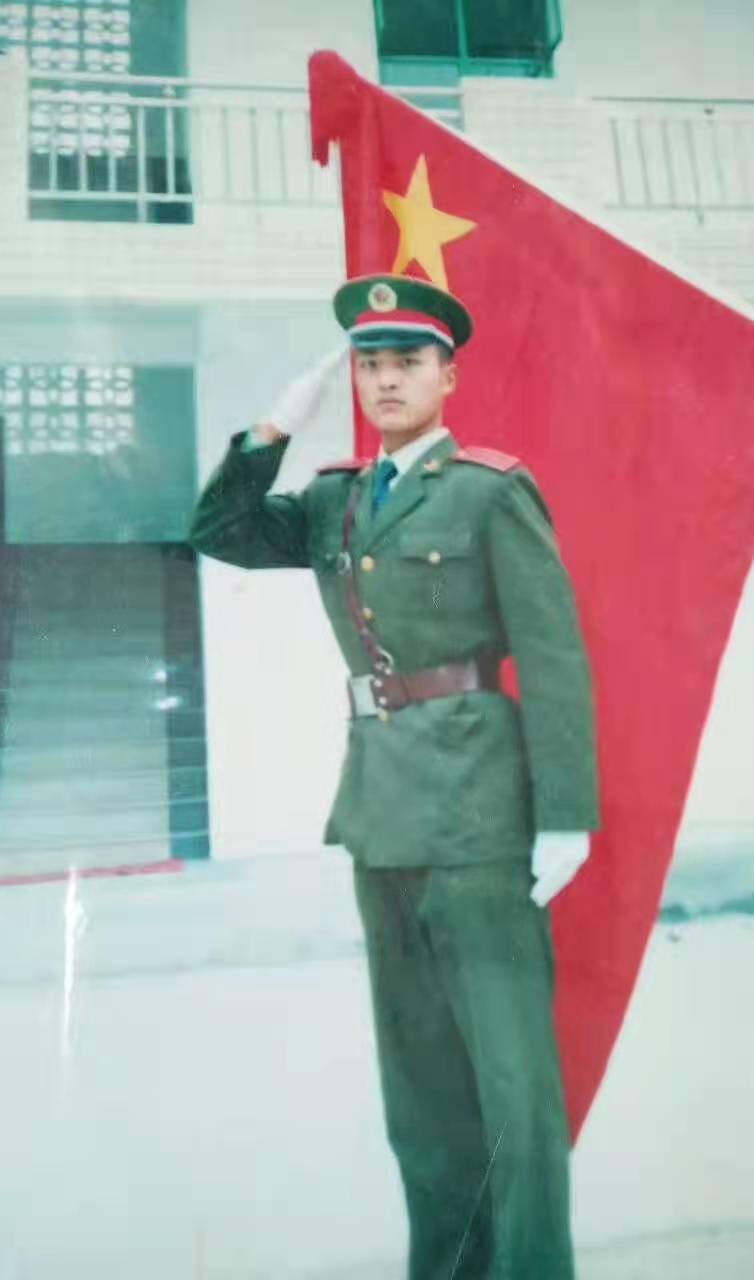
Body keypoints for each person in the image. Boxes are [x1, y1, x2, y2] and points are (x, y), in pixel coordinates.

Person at [187, 273, 599, 1280]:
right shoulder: (335, 497)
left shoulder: (488, 490)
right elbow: (219, 530)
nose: (385, 380)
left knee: (512, 1084)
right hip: (380, 806)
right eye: (369, 364)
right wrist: (277, 423)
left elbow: (553, 654)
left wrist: (565, 813)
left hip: (478, 805)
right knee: (418, 1088)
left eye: (407, 361)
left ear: (447, 377)